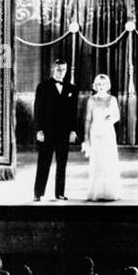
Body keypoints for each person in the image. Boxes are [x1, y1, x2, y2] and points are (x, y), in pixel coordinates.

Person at [33, 58, 79, 202]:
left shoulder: (72, 89)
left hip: (64, 132)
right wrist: (39, 130)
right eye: (59, 69)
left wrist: (73, 131)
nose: (61, 72)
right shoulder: (43, 86)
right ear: (53, 69)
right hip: (47, 132)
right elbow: (38, 110)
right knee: (43, 163)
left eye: (64, 70)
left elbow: (73, 112)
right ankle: (38, 193)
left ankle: (59, 193)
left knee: (62, 164)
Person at [84, 74, 123, 202]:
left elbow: (117, 116)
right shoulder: (91, 100)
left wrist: (110, 118)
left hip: (108, 132)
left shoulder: (112, 99)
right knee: (97, 161)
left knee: (109, 160)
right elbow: (88, 120)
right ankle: (97, 191)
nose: (101, 87)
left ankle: (110, 191)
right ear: (95, 86)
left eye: (104, 84)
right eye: (99, 84)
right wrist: (86, 137)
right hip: (95, 133)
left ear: (108, 86)